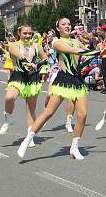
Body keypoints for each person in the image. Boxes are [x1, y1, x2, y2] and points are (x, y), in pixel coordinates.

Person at [17, 17, 91, 160]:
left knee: (82, 114)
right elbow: (71, 50)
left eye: (69, 24)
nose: (67, 26)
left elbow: (87, 50)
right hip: (63, 79)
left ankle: (74, 147)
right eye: (64, 24)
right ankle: (27, 139)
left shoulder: (77, 41)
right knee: (48, 112)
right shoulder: (57, 42)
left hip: (77, 80)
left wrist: (97, 49)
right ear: (58, 28)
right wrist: (85, 50)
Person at [0, 24, 46, 135]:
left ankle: (30, 135)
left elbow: (45, 59)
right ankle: (8, 118)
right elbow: (19, 55)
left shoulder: (36, 46)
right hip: (18, 75)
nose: (27, 35)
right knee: (9, 97)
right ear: (19, 33)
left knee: (31, 108)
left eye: (30, 33)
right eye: (25, 33)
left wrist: (39, 66)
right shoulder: (13, 45)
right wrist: (28, 63)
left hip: (32, 77)